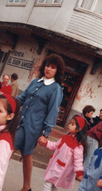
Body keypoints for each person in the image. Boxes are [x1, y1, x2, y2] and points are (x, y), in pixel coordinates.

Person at [14, 53, 65, 191]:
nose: (48, 69)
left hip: (34, 128)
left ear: (57, 71)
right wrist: (7, 102)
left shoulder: (56, 89)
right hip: (21, 122)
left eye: (53, 67)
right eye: (47, 65)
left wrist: (46, 133)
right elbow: (22, 98)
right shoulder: (35, 82)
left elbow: (52, 112)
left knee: (13, 149)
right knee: (25, 154)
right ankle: (27, 187)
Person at [38, 116, 86, 190]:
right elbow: (55, 146)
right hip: (56, 166)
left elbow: (78, 160)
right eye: (70, 123)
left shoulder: (77, 145)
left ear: (78, 129)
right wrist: (46, 143)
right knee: (51, 184)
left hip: (61, 169)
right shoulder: (65, 137)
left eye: (72, 124)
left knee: (48, 183)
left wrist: (79, 173)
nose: (69, 125)